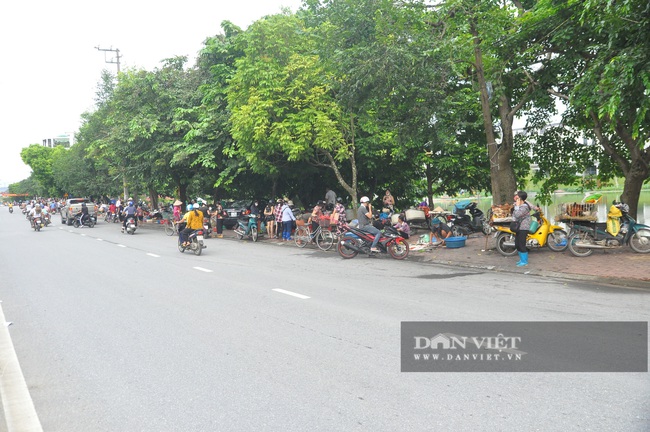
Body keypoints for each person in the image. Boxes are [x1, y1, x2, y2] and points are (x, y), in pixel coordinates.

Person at [512, 190, 532, 267]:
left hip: (523, 228)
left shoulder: (524, 207)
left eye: (517, 198)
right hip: (519, 228)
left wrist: (516, 206)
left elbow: (517, 215)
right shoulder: (519, 206)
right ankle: (521, 259)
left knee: (521, 244)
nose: (516, 199)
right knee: (517, 244)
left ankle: (524, 261)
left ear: (521, 199)